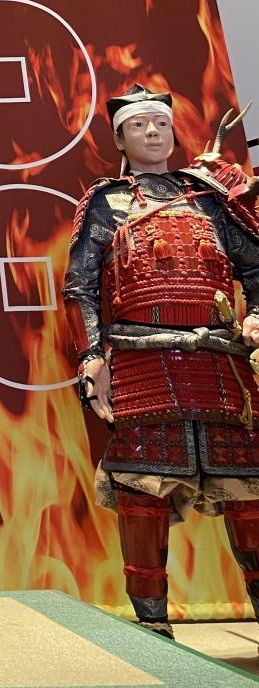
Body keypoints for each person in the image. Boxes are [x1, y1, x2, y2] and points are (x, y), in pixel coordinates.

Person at [63, 83, 259, 637]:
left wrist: (256, 317)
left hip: (221, 363)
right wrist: (91, 358)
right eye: (139, 125)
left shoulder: (210, 198)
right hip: (142, 363)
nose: (152, 132)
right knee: (143, 494)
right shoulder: (105, 202)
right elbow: (80, 287)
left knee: (250, 492)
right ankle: (153, 628)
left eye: (161, 124)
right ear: (119, 139)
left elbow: (255, 269)